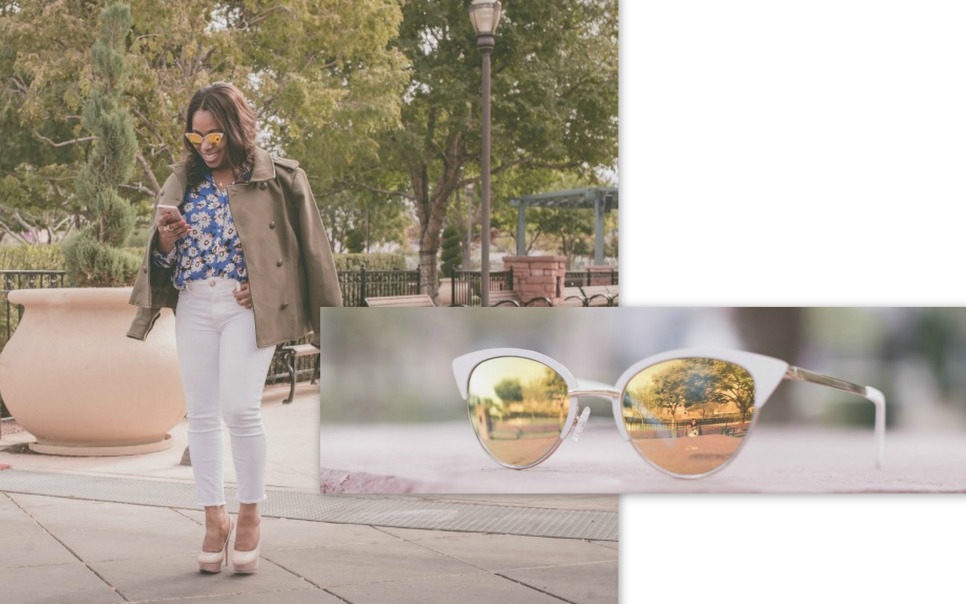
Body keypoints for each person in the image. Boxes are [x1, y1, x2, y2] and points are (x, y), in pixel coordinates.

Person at [127, 82, 342, 574]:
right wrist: (164, 240)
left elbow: (312, 254)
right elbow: (161, 259)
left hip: (246, 308)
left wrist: (274, 294)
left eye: (215, 134)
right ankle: (213, 519)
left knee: (240, 411)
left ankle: (250, 515)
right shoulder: (182, 182)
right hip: (194, 302)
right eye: (196, 135)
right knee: (200, 416)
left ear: (237, 129)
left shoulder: (281, 178)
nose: (205, 145)